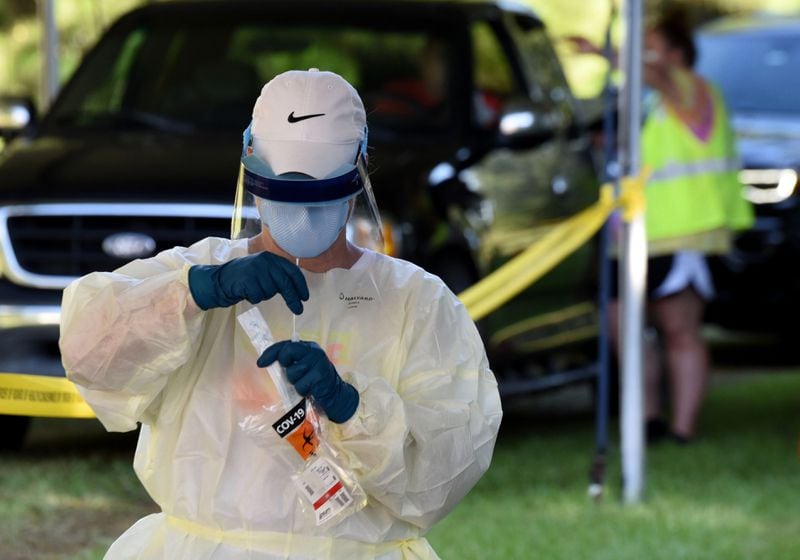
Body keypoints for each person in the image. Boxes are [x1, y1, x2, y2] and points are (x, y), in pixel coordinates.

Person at [59, 69, 502, 559]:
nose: (302, 215)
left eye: (320, 194)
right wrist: (195, 293)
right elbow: (88, 352)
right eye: (283, 191)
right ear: (250, 166)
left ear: (361, 170)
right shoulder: (198, 272)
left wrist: (351, 407)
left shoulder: (415, 301)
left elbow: (445, 470)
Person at [570, 12, 754, 444]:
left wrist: (604, 52)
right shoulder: (650, 99)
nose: (641, 58)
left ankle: (682, 429)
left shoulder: (691, 86)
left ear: (676, 53)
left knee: (679, 329)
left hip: (683, 232)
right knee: (623, 327)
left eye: (649, 47)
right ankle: (648, 419)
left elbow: (652, 73)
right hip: (631, 235)